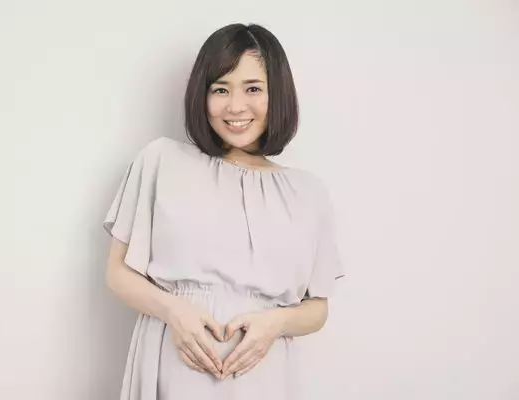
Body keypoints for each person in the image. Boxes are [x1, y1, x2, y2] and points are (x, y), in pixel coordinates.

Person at [103, 23, 344, 400]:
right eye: (220, 89)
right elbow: (118, 273)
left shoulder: (307, 191)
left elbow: (317, 309)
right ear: (202, 95)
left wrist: (275, 323)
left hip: (265, 379)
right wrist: (174, 312)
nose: (235, 106)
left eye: (253, 89)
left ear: (277, 94)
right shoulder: (162, 160)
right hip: (175, 370)